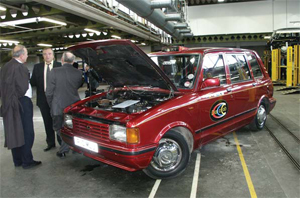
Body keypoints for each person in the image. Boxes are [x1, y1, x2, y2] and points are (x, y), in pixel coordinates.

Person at [0, 45, 41, 169]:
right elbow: (23, 88)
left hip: (8, 103)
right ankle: (27, 161)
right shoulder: (20, 67)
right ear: (21, 55)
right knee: (27, 132)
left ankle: (17, 160)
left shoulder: (5, 67)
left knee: (14, 131)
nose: (27, 56)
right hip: (21, 102)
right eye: (27, 53)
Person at [46, 51, 83, 158]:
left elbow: (49, 92)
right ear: (73, 61)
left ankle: (64, 149)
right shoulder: (78, 73)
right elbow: (76, 87)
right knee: (73, 129)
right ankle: (73, 146)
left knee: (59, 129)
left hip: (58, 106)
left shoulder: (54, 71)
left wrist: (51, 104)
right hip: (74, 106)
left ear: (62, 60)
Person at [30, 48, 62, 152]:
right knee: (47, 121)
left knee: (58, 121)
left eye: (49, 54)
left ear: (53, 55)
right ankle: (50, 143)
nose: (47, 56)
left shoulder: (59, 66)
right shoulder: (37, 67)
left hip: (56, 98)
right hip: (43, 99)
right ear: (42, 56)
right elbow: (33, 82)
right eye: (45, 54)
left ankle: (62, 142)